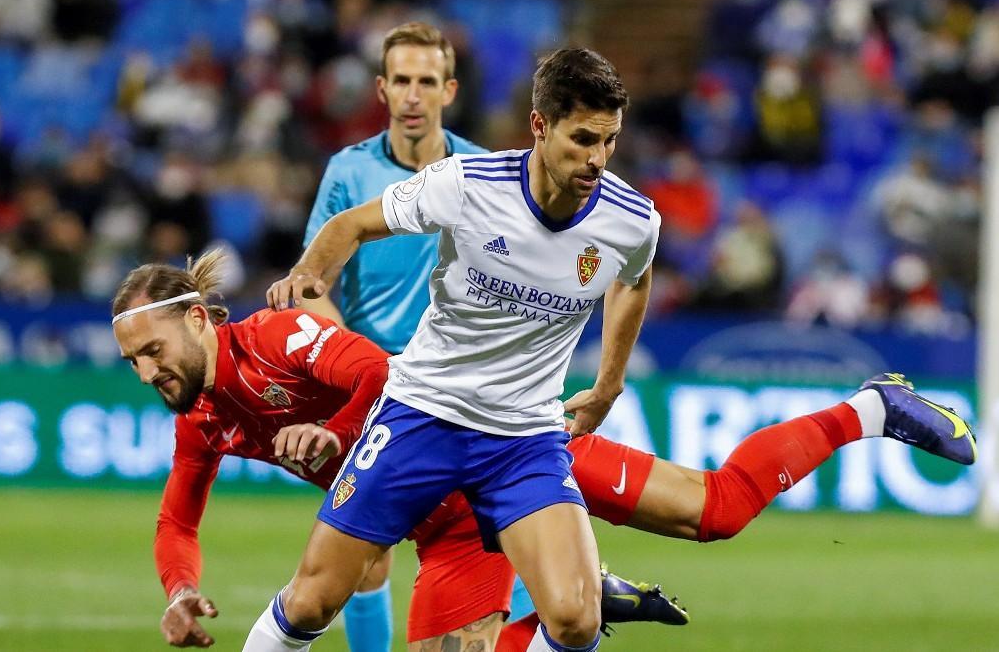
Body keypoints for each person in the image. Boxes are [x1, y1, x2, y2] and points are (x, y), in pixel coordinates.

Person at [257, 47, 978, 652]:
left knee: (576, 616)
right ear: (539, 127)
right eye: (581, 140)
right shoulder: (466, 186)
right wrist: (309, 273)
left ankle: (868, 412)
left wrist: (607, 383)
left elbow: (632, 283)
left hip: (524, 437)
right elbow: (353, 224)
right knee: (317, 599)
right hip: (424, 415)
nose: (598, 159)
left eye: (610, 140)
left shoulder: (632, 218)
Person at [111, 249, 687, 650]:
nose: (144, 373)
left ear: (195, 318)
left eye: (152, 351)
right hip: (430, 522)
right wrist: (180, 589)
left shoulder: (274, 336)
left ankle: (575, 590)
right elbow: (176, 522)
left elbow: (381, 375)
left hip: (487, 463)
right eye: (133, 360)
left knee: (711, 510)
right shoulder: (202, 420)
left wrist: (334, 431)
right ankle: (581, 592)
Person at [299, 23, 488, 651]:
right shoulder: (348, 172)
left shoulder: (481, 172)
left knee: (482, 548)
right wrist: (351, 353)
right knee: (365, 555)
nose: (413, 95)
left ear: (449, 89)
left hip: (460, 390)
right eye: (401, 81)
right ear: (381, 89)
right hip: (375, 382)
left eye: (426, 81)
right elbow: (311, 282)